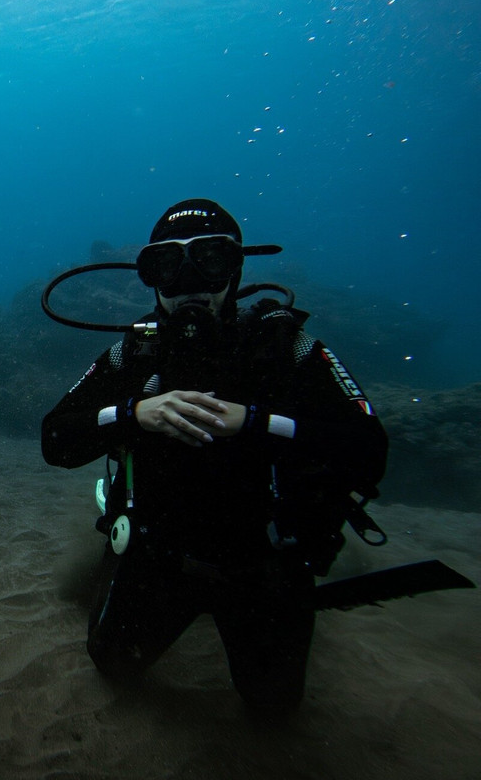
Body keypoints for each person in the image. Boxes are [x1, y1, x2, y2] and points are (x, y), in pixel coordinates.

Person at [41, 199, 388, 715]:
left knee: (272, 707)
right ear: (150, 275)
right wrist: (135, 413)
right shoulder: (133, 353)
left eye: (209, 259)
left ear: (236, 267)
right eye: (166, 265)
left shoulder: (285, 347)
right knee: (112, 663)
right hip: (161, 554)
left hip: (264, 562)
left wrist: (256, 421)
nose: (188, 282)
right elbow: (55, 439)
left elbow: (369, 449)